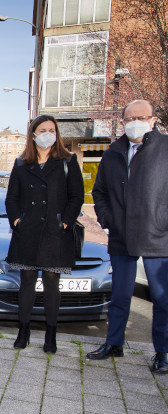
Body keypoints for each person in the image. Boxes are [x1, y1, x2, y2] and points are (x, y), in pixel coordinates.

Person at [86, 99, 168, 374]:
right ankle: (114, 343)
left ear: (153, 120)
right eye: (129, 118)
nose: (135, 122)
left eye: (141, 117)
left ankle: (163, 351)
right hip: (122, 235)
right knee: (120, 295)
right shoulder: (113, 153)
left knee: (161, 298)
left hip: (158, 236)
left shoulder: (165, 149)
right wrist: (108, 219)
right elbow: (99, 192)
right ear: (122, 122)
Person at [5, 115, 84, 354]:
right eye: (43, 129)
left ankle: (51, 336)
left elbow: (76, 196)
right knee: (27, 282)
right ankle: (23, 331)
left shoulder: (67, 161)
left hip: (54, 232)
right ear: (33, 134)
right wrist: (17, 221)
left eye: (52, 129)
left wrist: (65, 223)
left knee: (52, 283)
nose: (48, 133)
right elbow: (11, 198)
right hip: (27, 232)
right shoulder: (21, 163)